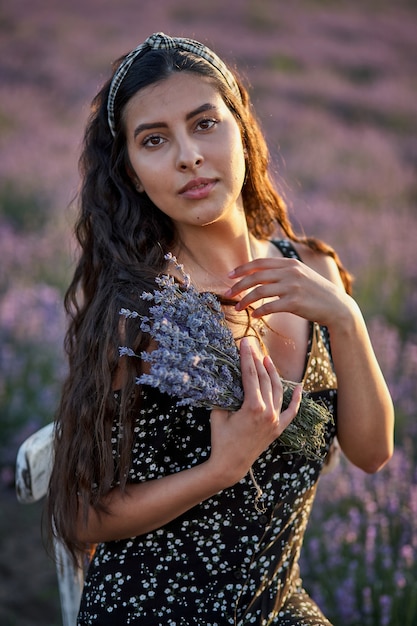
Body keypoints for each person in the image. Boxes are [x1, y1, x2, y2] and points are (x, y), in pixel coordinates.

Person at [46, 32, 394, 625]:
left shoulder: (313, 270)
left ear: (241, 128)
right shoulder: (140, 312)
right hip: (151, 610)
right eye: (154, 140)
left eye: (204, 124)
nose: (188, 156)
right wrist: (221, 469)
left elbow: (372, 453)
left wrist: (344, 315)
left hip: (277, 606)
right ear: (131, 172)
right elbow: (79, 517)